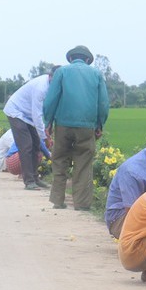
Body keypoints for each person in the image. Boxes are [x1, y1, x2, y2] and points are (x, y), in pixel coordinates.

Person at [42, 45, 110, 211]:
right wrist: (100, 124)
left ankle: (58, 200)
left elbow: (51, 100)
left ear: (71, 59)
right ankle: (81, 204)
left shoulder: (62, 72)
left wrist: (48, 122)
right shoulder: (96, 74)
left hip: (63, 125)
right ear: (87, 60)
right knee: (83, 163)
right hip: (87, 126)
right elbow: (103, 103)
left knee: (59, 160)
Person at [1, 71, 52, 190]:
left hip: (28, 115)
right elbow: (37, 114)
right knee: (26, 145)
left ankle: (35, 178)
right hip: (16, 111)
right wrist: (45, 137)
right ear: (50, 76)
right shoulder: (41, 88)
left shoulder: (56, 86)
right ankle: (29, 181)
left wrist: (47, 130)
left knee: (36, 145)